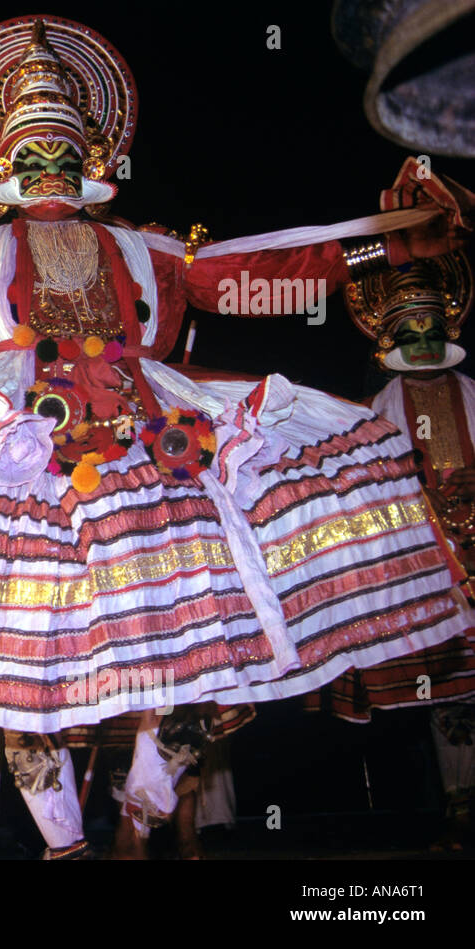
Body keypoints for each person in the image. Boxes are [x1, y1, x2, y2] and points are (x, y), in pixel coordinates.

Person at [0, 15, 473, 856]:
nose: (50, 171)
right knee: (15, 671)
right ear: (2, 168)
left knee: (201, 653)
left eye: (64, 156)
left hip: (156, 451)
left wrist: (391, 244)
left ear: (94, 165)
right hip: (18, 461)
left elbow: (266, 275)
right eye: (33, 157)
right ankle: (63, 842)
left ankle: (140, 818)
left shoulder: (151, 253)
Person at [336, 231, 475, 850]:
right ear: (389, 343)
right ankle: (460, 805)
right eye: (409, 335)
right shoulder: (371, 414)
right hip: (430, 568)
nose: (423, 345)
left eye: (430, 332)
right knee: (452, 693)